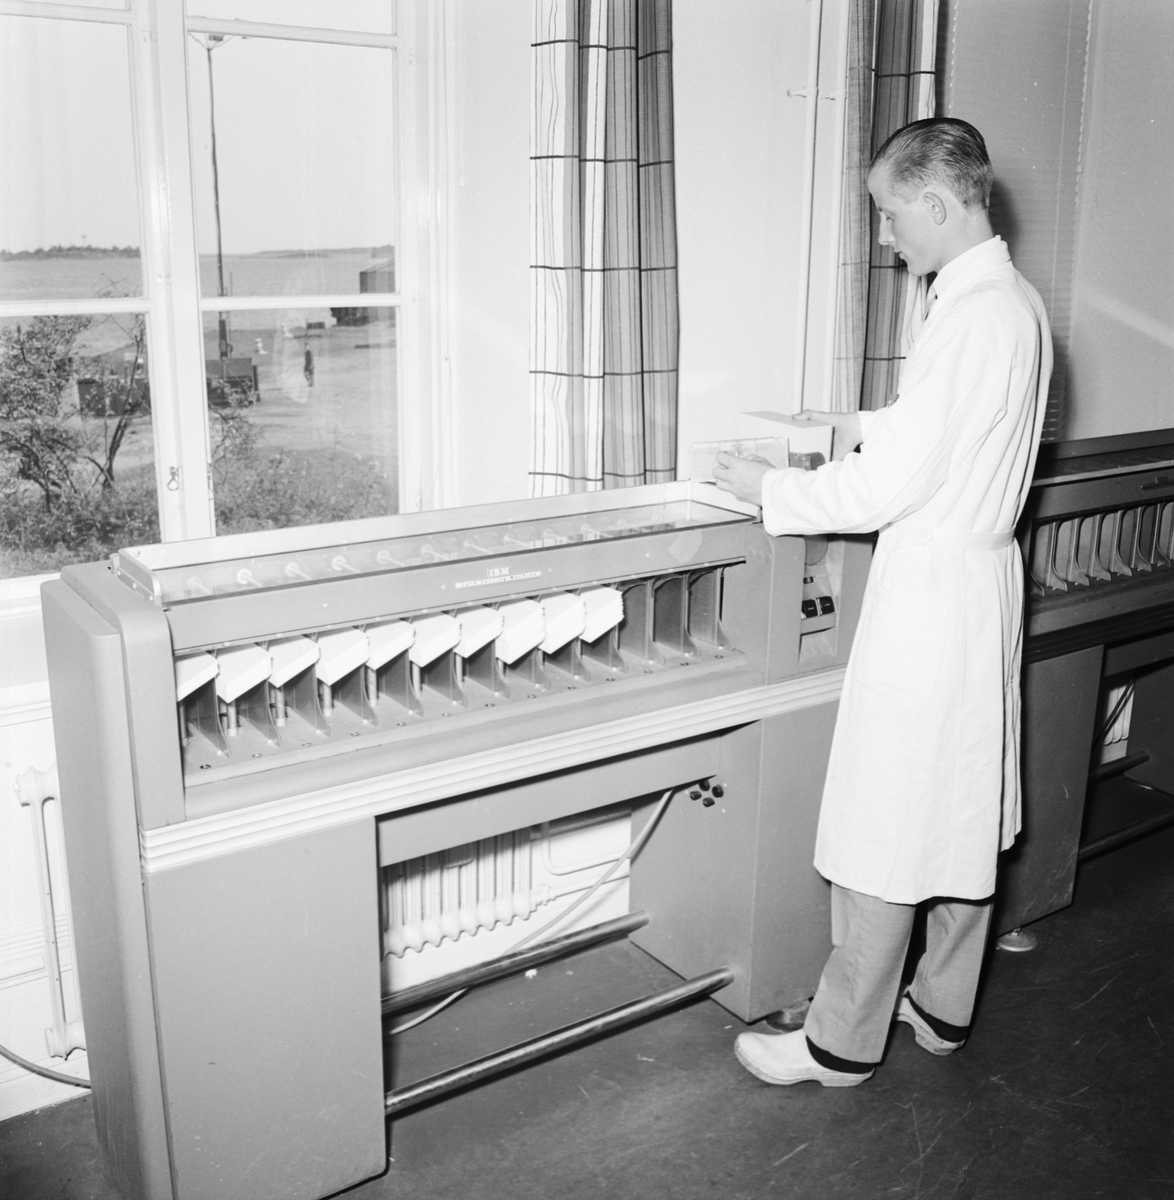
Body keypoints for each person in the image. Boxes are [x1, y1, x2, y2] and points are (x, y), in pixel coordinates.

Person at [712, 118, 1052, 1087]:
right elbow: (944, 426)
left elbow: (886, 487)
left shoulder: (972, 315)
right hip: (977, 583)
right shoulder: (1008, 300)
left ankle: (839, 1043)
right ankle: (941, 1009)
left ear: (936, 204)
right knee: (960, 808)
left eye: (891, 215)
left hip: (934, 592)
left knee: (887, 814)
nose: (886, 236)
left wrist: (767, 488)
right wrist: (856, 421)